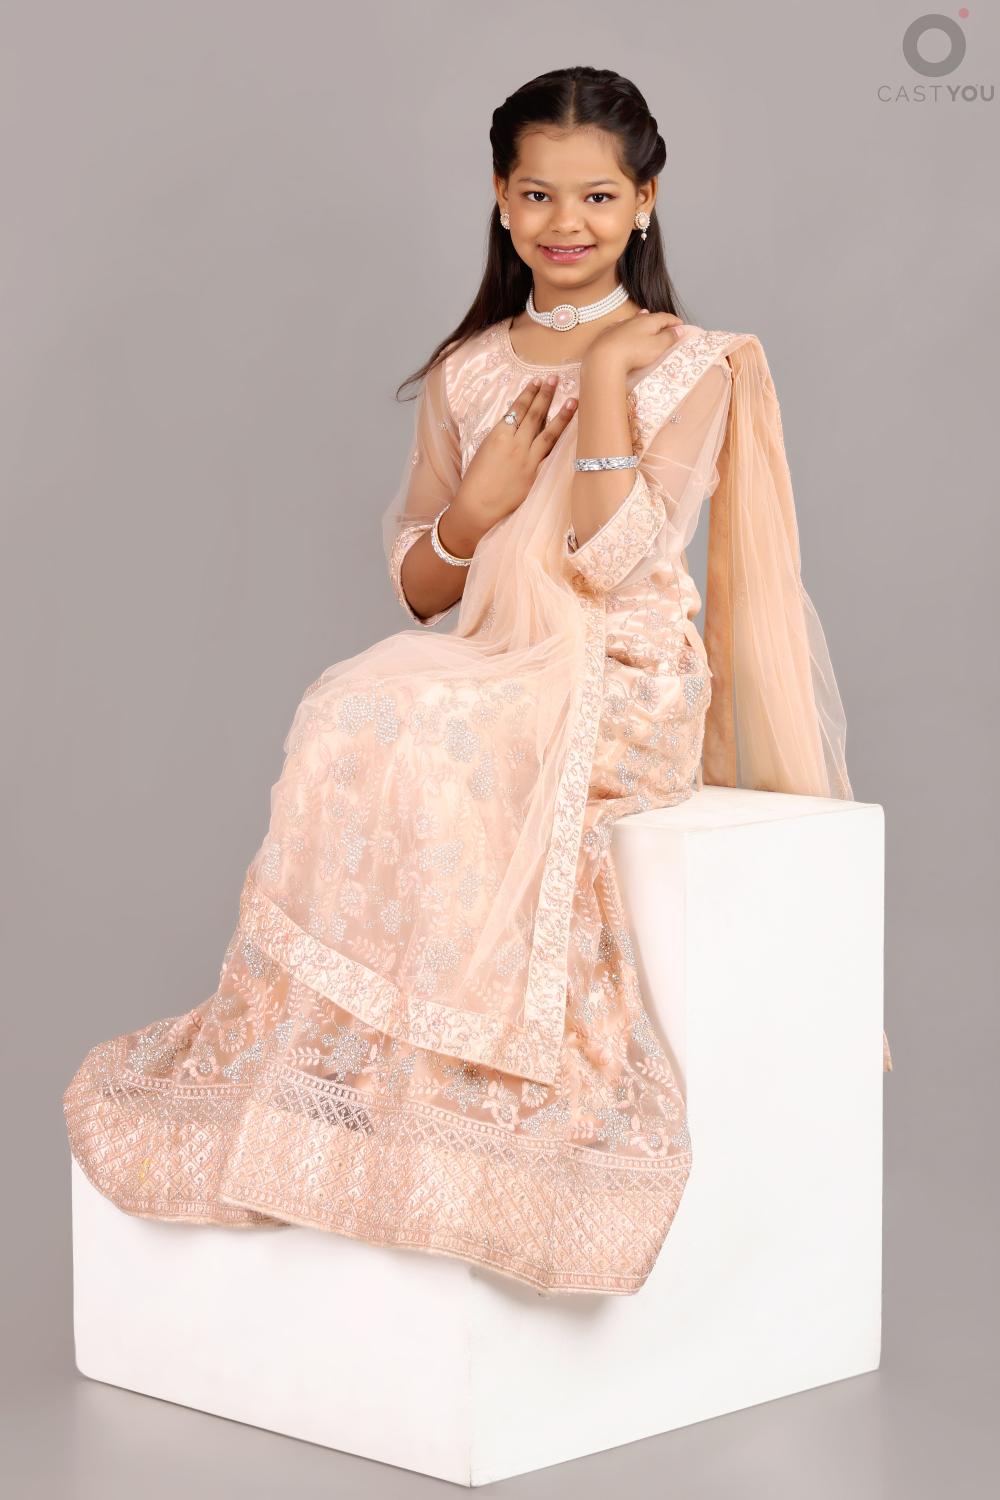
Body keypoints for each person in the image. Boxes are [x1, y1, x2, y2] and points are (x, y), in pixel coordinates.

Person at [63, 65, 891, 1298]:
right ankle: (363, 1078)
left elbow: (609, 561)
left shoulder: (696, 362)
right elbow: (419, 587)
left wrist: (602, 379)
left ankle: (483, 1075)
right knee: (352, 706)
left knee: (415, 721)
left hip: (623, 672)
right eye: (538, 194)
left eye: (597, 196)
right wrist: (475, 508)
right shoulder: (468, 370)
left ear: (645, 201)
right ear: (501, 200)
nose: (567, 223)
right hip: (491, 656)